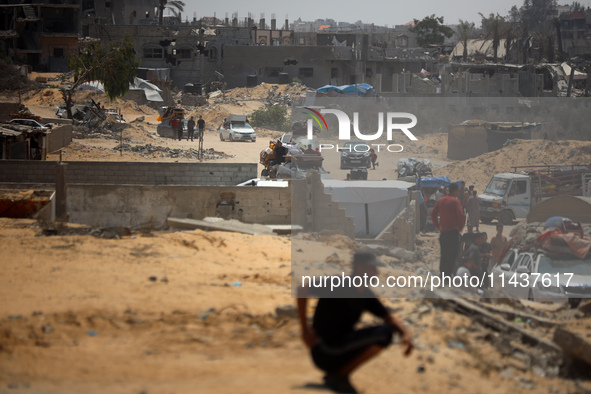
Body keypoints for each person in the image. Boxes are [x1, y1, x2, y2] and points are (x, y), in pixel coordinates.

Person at [297, 252, 413, 394]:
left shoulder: (365, 294)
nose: (376, 272)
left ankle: (339, 374)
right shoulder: (338, 284)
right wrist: (305, 330)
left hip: (340, 347)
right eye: (372, 268)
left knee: (386, 332)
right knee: (385, 333)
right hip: (324, 349)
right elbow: (302, 289)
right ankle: (339, 377)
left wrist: (405, 334)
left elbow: (390, 317)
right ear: (360, 268)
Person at [431, 182, 465, 278]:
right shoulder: (455, 201)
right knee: (452, 256)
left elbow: (433, 214)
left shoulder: (441, 200)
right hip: (453, 232)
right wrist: (460, 227)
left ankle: (442, 275)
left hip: (443, 233)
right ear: (455, 191)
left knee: (444, 255)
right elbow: (461, 215)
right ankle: (447, 277)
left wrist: (438, 226)